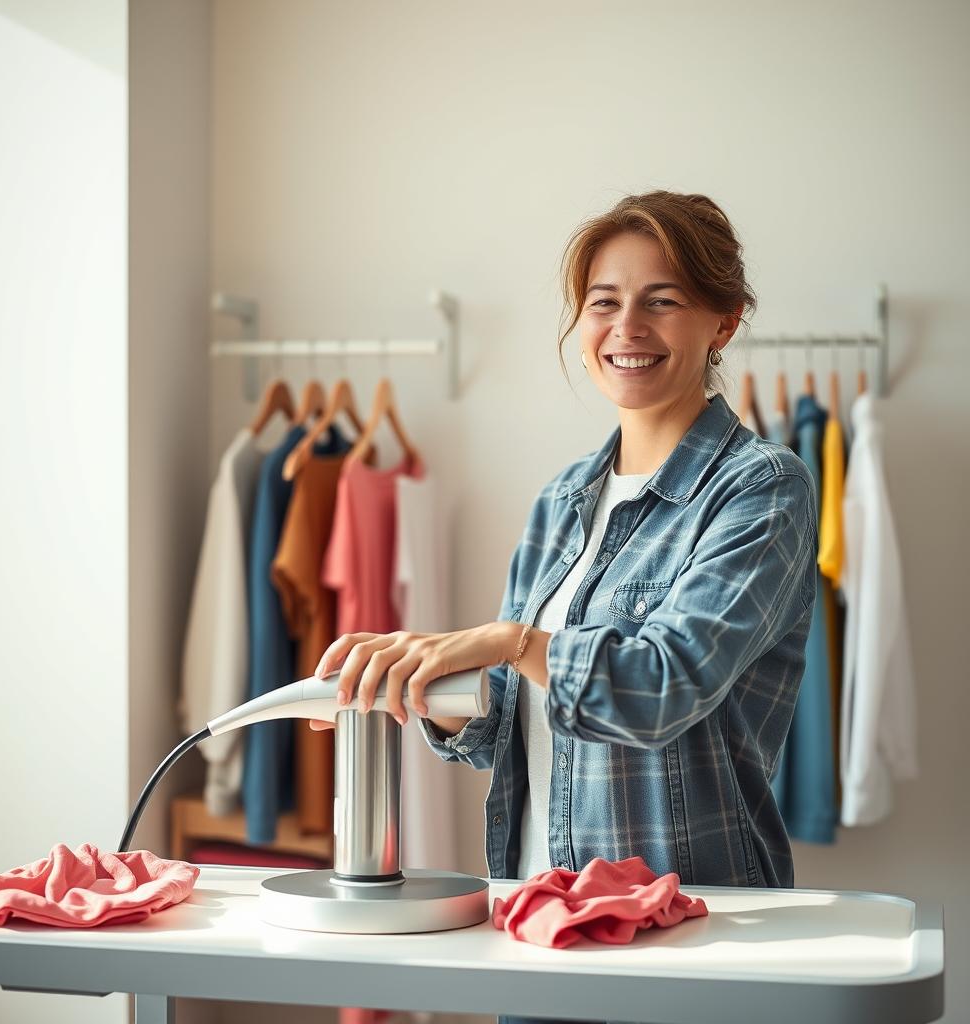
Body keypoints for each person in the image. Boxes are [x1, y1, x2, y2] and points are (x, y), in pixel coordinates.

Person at [311, 190, 818, 1024]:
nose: (629, 327)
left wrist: (507, 639)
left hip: (688, 936)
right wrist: (417, 669)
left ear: (722, 324)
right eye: (604, 303)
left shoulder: (761, 489)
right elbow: (503, 727)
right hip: (539, 918)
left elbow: (664, 685)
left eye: (664, 300)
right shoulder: (564, 500)